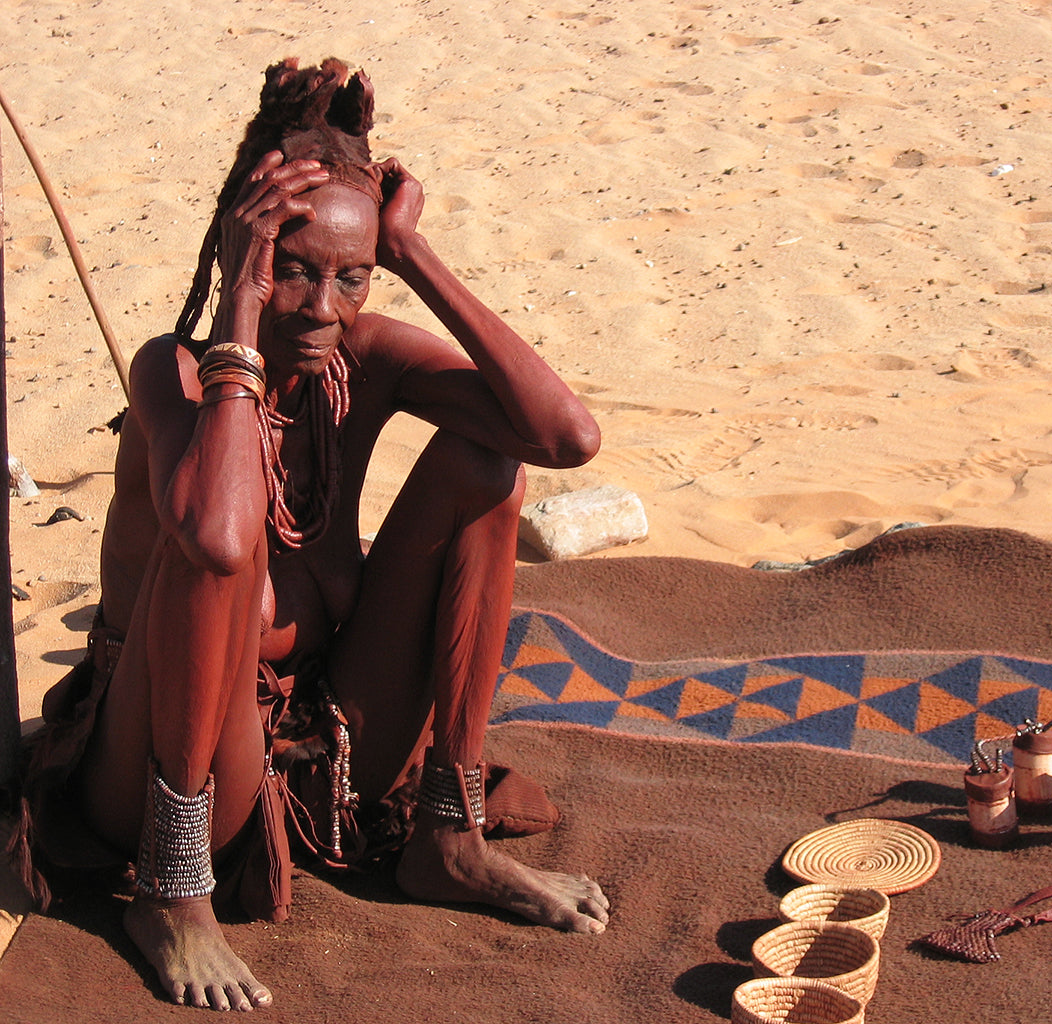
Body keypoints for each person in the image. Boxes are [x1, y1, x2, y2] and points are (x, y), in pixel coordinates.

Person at [20, 58, 609, 1011]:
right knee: (235, 542)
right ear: (242, 252)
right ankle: (172, 897)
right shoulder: (171, 374)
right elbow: (215, 541)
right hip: (158, 767)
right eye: (293, 270)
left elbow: (564, 436)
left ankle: (446, 837)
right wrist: (241, 312)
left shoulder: (360, 359)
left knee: (485, 467)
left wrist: (410, 251)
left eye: (353, 278)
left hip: (318, 747)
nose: (324, 309)